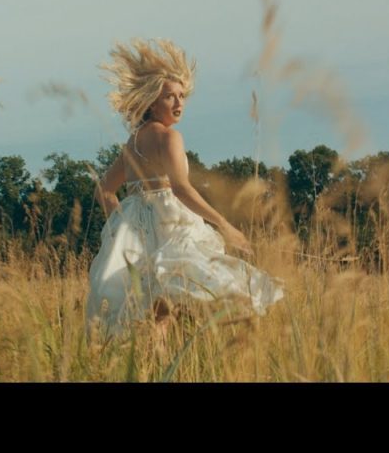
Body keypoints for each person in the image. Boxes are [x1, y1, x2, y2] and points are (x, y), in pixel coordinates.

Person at [86, 38, 284, 339]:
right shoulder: (170, 138)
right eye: (170, 97)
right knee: (214, 288)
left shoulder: (133, 143)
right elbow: (180, 189)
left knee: (159, 313)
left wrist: (120, 223)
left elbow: (104, 191)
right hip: (171, 225)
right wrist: (225, 225)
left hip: (137, 231)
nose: (179, 104)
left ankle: (162, 366)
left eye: (182, 96)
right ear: (152, 102)